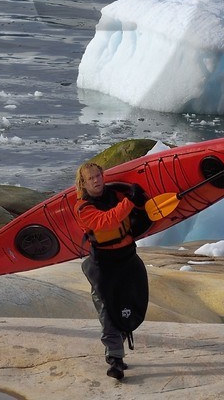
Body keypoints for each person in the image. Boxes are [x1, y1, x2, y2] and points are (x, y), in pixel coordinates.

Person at [74, 161, 150, 380]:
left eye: (99, 175)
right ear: (83, 183)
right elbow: (106, 221)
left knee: (131, 304)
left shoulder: (115, 194)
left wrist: (138, 198)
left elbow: (136, 211)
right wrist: (129, 201)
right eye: (91, 178)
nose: (97, 180)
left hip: (128, 258)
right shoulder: (82, 208)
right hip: (104, 266)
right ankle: (115, 359)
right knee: (108, 311)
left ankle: (120, 343)